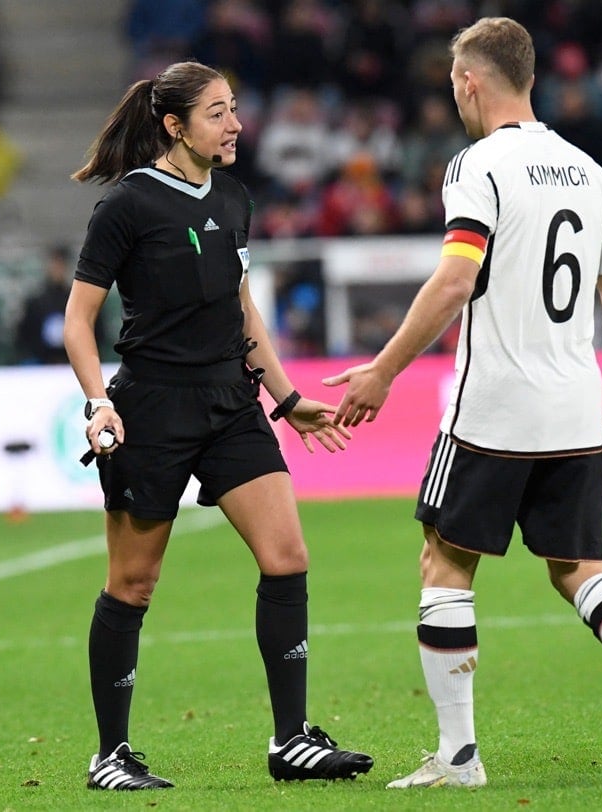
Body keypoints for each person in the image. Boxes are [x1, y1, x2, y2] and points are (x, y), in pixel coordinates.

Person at [322, 18, 602, 789]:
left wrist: (385, 371)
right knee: (579, 566)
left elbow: (457, 279)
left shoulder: (478, 167)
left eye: (454, 83)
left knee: (445, 560)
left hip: (494, 405)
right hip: (573, 406)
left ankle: (458, 756)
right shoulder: (589, 171)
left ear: (471, 80)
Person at [64, 60, 373, 791]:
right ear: (175, 126)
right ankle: (110, 754)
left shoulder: (233, 198)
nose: (235, 125)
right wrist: (95, 401)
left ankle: (291, 739)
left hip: (231, 404)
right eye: (217, 113)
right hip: (153, 409)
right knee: (133, 586)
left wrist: (289, 398)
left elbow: (242, 311)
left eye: (234, 108)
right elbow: (78, 321)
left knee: (287, 556)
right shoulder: (127, 206)